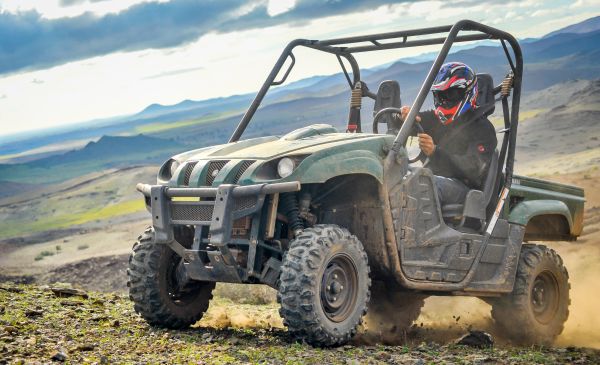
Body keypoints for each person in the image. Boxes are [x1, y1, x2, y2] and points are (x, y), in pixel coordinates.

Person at [400, 62, 497, 206]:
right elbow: (416, 120)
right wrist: (403, 115)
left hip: (466, 189)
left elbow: (473, 169)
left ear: (467, 93)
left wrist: (434, 152)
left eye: (449, 94)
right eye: (440, 96)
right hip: (436, 178)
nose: (443, 101)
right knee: (398, 177)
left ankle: (410, 228)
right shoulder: (437, 119)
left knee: (424, 185)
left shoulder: (483, 129)